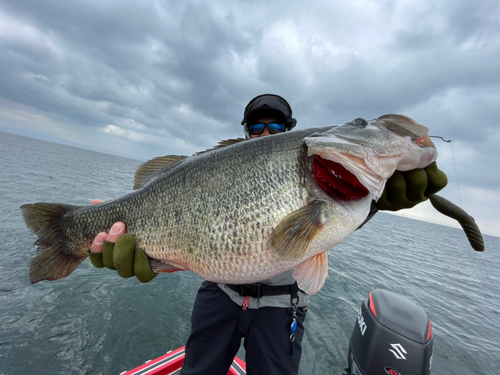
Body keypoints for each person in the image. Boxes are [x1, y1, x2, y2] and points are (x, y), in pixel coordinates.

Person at [88, 94, 448, 374]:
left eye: (275, 128)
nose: (264, 133)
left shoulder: (321, 170)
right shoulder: (227, 166)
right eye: (256, 127)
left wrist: (375, 202)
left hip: (283, 305)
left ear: (289, 130)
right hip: (220, 294)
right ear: (245, 132)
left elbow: (327, 224)